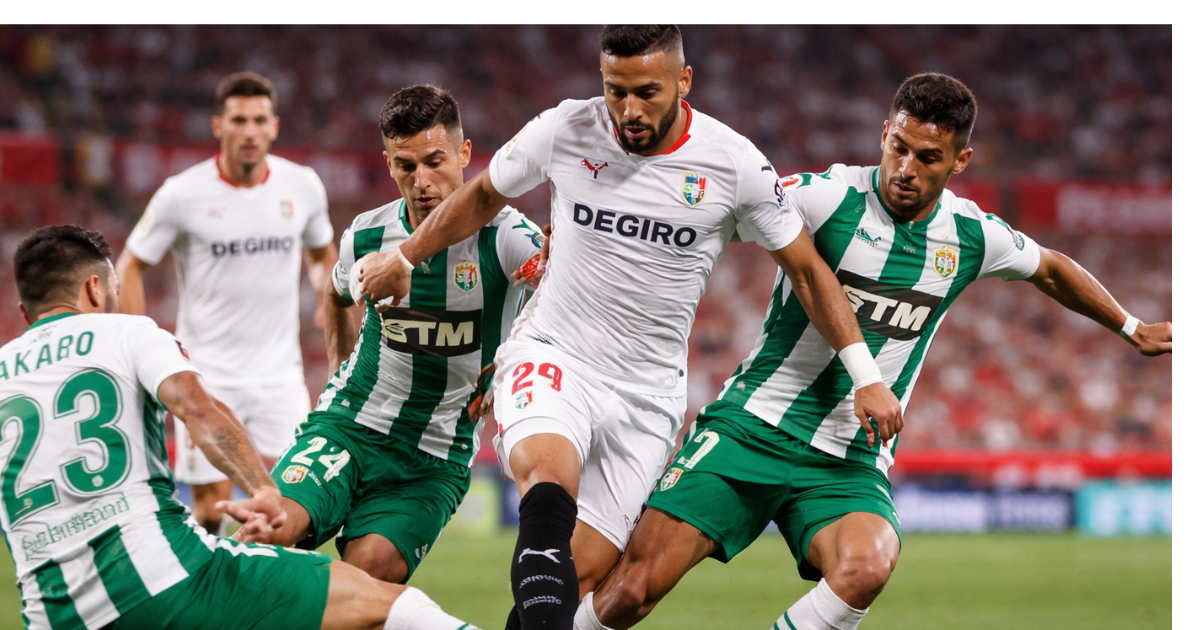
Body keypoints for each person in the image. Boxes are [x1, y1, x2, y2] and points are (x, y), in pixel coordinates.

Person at [574, 72, 1174, 630]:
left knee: (869, 564)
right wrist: (593, 233)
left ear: (960, 161)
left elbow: (1049, 268)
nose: (906, 167)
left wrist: (1130, 326)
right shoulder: (825, 196)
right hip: (752, 428)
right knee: (631, 592)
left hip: (847, 459)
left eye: (929, 157)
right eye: (899, 148)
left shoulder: (970, 236)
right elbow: (708, 213)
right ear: (885, 134)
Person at [358, 25, 902, 630]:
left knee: (583, 580)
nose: (629, 109)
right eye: (616, 90)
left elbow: (806, 270)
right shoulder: (565, 129)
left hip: (646, 396)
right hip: (555, 353)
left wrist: (865, 375)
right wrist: (406, 258)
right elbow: (484, 194)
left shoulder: (734, 164)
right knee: (548, 486)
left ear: (683, 81)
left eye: (647, 91)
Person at [0, 225, 483, 630]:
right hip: (168, 581)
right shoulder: (128, 331)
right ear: (94, 289)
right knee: (392, 606)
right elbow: (195, 406)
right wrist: (262, 489)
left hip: (52, 616)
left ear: (25, 313)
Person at [235, 84, 544, 585]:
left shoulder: (505, 236)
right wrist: (338, 377)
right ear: (388, 164)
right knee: (268, 529)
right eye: (406, 166)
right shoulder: (365, 237)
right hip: (349, 427)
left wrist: (514, 361)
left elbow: (567, 294)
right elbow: (335, 298)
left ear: (465, 154)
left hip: (433, 456)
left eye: (435, 161)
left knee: (367, 578)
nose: (422, 180)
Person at [115, 71, 340, 535]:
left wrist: (325, 292)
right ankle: (217, 601)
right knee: (210, 513)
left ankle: (277, 600)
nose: (250, 130)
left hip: (280, 375)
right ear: (218, 126)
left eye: (260, 119)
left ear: (275, 126)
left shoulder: (302, 186)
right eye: (239, 120)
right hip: (209, 377)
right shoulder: (182, 194)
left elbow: (321, 253)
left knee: (295, 502)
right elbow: (131, 264)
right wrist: (134, 338)